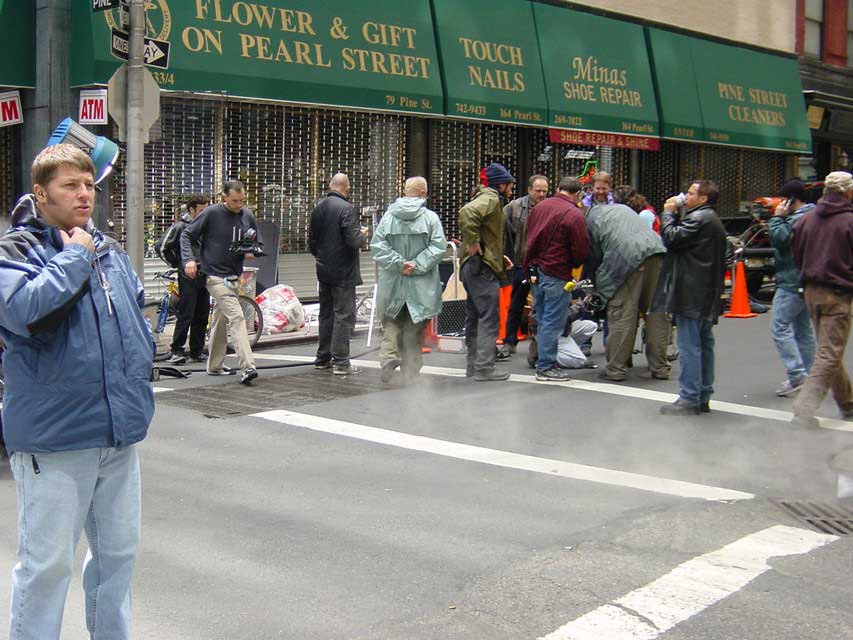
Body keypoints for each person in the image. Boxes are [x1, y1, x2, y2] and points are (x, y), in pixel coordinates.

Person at [0, 144, 155, 640]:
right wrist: (73, 257)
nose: (84, 194)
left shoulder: (107, 250)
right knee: (45, 568)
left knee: (117, 559)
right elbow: (26, 313)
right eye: (71, 185)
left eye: (89, 184)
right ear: (41, 193)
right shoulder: (16, 251)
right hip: (55, 440)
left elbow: (134, 314)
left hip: (116, 433)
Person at [653, 179, 727, 415]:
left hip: (691, 291)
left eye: (691, 192)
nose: (686, 195)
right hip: (705, 290)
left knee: (690, 344)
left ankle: (690, 396)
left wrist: (667, 214)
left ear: (703, 198)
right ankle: (703, 393)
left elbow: (672, 238)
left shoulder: (698, 219)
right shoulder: (710, 219)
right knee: (704, 343)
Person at [791, 171, 853, 427]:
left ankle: (848, 402)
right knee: (829, 353)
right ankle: (803, 410)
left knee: (829, 349)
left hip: (811, 290)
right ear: (848, 192)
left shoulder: (806, 220)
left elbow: (797, 253)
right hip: (838, 292)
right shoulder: (849, 221)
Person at [182, 180, 260, 384]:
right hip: (215, 276)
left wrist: (250, 249)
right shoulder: (211, 213)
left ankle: (215, 365)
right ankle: (248, 365)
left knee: (220, 318)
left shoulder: (247, 215)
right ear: (224, 197)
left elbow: (253, 240)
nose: (238, 205)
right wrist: (189, 260)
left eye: (242, 200)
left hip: (234, 275)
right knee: (237, 316)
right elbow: (187, 234)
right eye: (234, 200)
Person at [371, 177, 447, 383]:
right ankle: (410, 372)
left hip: (393, 282)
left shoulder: (388, 217)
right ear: (423, 193)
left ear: (405, 192)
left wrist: (398, 263)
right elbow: (439, 247)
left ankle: (388, 357)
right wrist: (416, 264)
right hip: (420, 284)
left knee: (392, 321)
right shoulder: (430, 218)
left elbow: (377, 247)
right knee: (414, 326)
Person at [586, 193, 669, 382]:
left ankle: (616, 369)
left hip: (627, 259)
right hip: (656, 252)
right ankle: (660, 367)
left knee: (623, 314)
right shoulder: (622, 209)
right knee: (656, 313)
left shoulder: (589, 222)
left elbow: (595, 259)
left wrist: (598, 292)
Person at [523, 176, 590, 381]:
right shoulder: (574, 214)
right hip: (556, 272)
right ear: (577, 193)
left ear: (559, 188)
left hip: (536, 269)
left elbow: (528, 235)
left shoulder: (540, 207)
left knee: (543, 319)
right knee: (552, 322)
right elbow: (580, 250)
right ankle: (545, 366)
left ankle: (542, 360)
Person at [459, 163, 515, 382]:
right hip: (481, 268)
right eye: (510, 185)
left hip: (474, 266)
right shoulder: (491, 199)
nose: (511, 189)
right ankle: (484, 368)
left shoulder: (486, 197)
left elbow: (485, 232)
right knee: (489, 317)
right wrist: (473, 243)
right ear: (501, 185)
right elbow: (467, 213)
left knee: (475, 317)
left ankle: (473, 365)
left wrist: (497, 256)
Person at [309, 173, 368, 376]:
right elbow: (353, 240)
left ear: (330, 185)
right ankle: (341, 361)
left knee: (326, 314)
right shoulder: (347, 209)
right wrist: (363, 235)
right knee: (344, 315)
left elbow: (312, 242)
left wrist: (322, 258)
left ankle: (323, 357)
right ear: (346, 188)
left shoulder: (318, 207)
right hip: (343, 272)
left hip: (324, 269)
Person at [767, 179, 816, 397]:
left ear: (790, 200)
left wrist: (777, 218)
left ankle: (798, 375)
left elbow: (780, 239)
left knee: (779, 327)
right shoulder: (813, 215)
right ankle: (811, 376)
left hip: (792, 280)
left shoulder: (797, 219)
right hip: (805, 280)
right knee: (803, 329)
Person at [498, 174, 549, 358]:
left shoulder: (550, 207)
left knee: (541, 305)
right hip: (520, 263)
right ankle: (509, 342)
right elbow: (502, 233)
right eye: (538, 191)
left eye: (544, 191)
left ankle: (540, 344)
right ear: (529, 190)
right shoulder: (514, 207)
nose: (542, 194)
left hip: (542, 264)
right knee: (516, 303)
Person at [167, 194, 211, 364]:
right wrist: (179, 263)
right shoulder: (179, 227)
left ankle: (196, 350)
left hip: (204, 273)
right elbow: (162, 246)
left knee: (202, 313)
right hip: (187, 275)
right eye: (201, 210)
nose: (204, 214)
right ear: (191, 210)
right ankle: (177, 350)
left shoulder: (207, 228)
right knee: (186, 313)